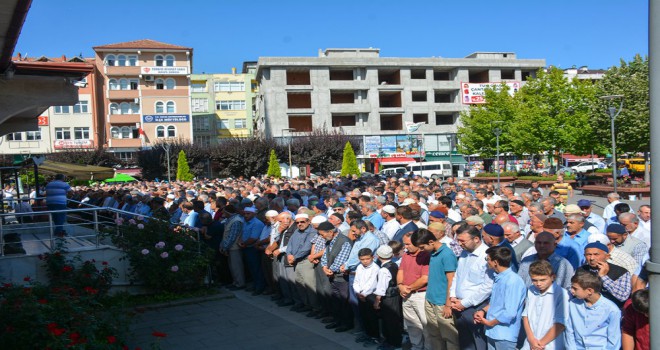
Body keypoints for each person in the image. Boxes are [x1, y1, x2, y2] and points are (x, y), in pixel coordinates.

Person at [412, 228, 459, 350]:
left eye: (422, 247)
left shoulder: (447, 254)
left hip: (442, 303)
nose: (421, 251)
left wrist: (448, 303)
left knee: (449, 337)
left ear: (431, 242)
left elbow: (451, 280)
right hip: (430, 299)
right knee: (434, 335)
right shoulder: (432, 253)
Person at [473, 246, 527, 350]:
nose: (487, 262)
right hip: (492, 332)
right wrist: (482, 311)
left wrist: (490, 322)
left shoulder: (513, 281)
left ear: (495, 262)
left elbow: (510, 312)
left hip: (504, 335)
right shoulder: (499, 277)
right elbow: (495, 302)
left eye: (487, 259)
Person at [449, 225, 494, 350]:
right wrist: (453, 296)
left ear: (476, 239)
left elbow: (487, 287)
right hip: (458, 305)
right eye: (458, 240)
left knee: (478, 343)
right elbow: (457, 276)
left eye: (462, 241)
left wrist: (464, 303)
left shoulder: (487, 257)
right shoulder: (464, 253)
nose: (459, 244)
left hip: (476, 307)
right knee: (465, 342)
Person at [565, 270, 621, 349]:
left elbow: (614, 340)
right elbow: (569, 331)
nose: (571, 291)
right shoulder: (572, 304)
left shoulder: (611, 309)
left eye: (575, 288)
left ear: (589, 291)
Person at [521, 260, 569, 350]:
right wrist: (531, 339)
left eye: (543, 280)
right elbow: (525, 316)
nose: (538, 284)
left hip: (549, 345)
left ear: (553, 277)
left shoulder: (561, 294)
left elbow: (560, 324)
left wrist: (540, 344)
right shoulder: (531, 290)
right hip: (530, 343)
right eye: (534, 280)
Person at [318, 221, 354, 332]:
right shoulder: (329, 241)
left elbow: (341, 259)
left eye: (322, 234)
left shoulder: (344, 241)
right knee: (336, 301)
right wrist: (324, 267)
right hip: (332, 276)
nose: (321, 237)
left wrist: (331, 269)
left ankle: (346, 323)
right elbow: (325, 256)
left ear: (330, 232)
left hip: (341, 278)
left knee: (344, 301)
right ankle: (338, 320)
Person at [398, 232, 430, 350]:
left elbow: (425, 278)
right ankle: (416, 346)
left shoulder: (426, 255)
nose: (405, 247)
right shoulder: (406, 255)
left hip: (420, 295)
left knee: (425, 325)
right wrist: (400, 285)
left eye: (408, 244)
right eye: (405, 244)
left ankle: (428, 348)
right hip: (406, 294)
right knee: (412, 325)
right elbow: (401, 271)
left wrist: (408, 288)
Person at [577, 242, 631, 308]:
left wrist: (603, 277)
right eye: (588, 254)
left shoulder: (621, 272)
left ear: (607, 256)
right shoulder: (581, 270)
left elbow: (623, 296)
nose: (592, 258)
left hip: (611, 310)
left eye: (596, 254)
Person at [373, 245, 403, 350]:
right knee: (395, 319)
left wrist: (377, 301)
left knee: (389, 321)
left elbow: (381, 288)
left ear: (378, 256)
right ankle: (395, 341)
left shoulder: (383, 270)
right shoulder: (394, 265)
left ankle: (393, 342)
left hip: (388, 298)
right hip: (396, 296)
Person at [353, 247, 380, 346]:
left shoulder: (375, 268)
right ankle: (367, 334)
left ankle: (375, 337)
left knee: (371, 317)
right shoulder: (359, 267)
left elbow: (372, 284)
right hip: (360, 295)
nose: (365, 261)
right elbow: (356, 281)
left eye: (367, 259)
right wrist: (358, 292)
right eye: (362, 259)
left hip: (370, 296)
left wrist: (363, 294)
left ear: (372, 257)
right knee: (364, 316)